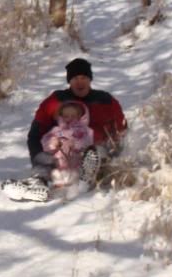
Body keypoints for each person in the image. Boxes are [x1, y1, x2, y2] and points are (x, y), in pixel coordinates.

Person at [28, 57, 127, 188]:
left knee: (96, 151)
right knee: (45, 158)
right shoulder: (56, 100)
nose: (80, 82)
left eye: (83, 78)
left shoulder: (106, 101)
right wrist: (39, 155)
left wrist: (116, 153)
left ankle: (88, 176)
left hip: (95, 152)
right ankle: (38, 183)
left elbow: (122, 132)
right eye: (75, 79)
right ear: (69, 81)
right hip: (63, 156)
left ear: (90, 79)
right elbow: (35, 135)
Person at [40, 101, 94, 188]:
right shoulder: (57, 130)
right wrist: (53, 143)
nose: (70, 118)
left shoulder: (84, 130)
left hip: (77, 161)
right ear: (61, 117)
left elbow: (88, 141)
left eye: (73, 116)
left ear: (80, 116)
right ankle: (59, 182)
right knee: (53, 168)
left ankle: (82, 180)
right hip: (61, 164)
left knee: (80, 167)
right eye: (66, 116)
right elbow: (45, 142)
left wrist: (76, 144)